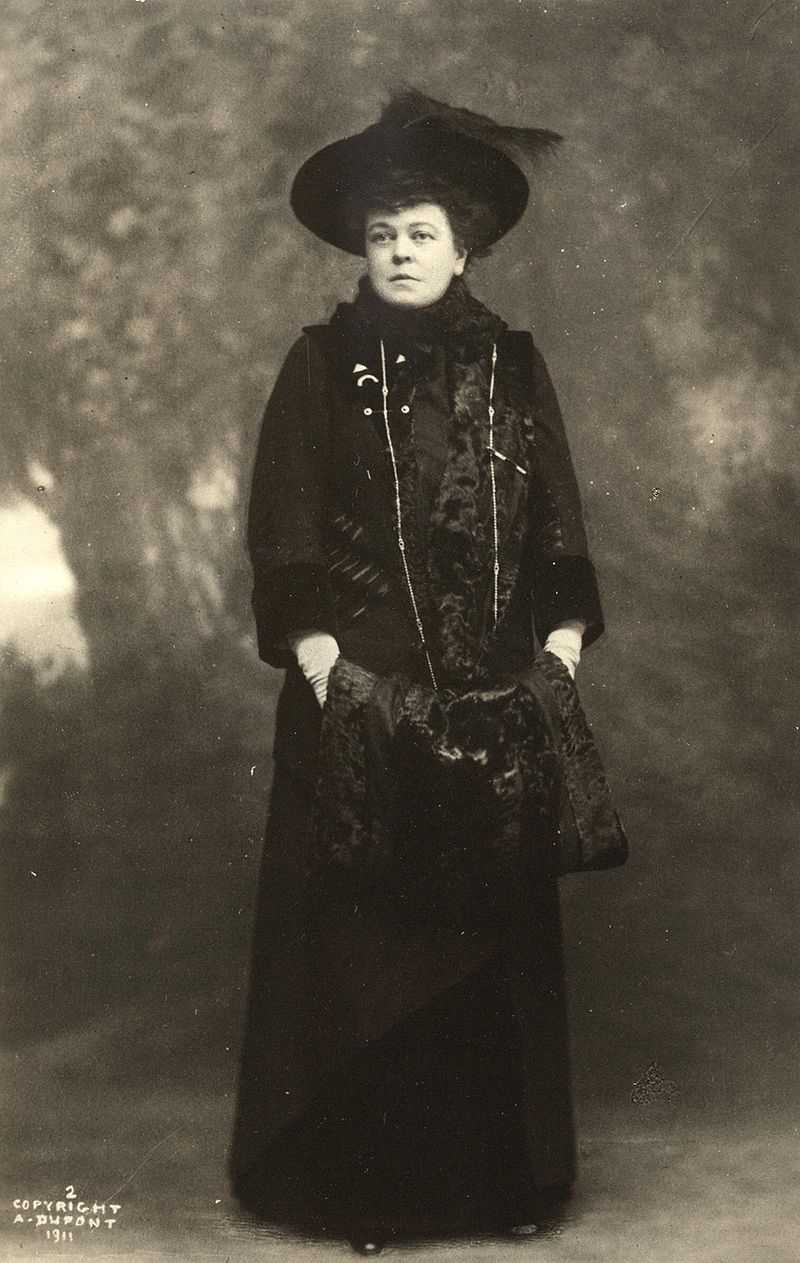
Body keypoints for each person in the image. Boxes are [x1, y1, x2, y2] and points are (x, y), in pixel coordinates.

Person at [229, 91, 623, 1254]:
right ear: (364, 250)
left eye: (420, 235)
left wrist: (557, 645)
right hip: (355, 688)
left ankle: (499, 1189)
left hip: (494, 693)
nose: (399, 253)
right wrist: (315, 656)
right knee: (363, 945)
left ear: (464, 248)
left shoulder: (512, 364)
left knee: (484, 934)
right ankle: (362, 1196)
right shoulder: (317, 366)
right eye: (382, 237)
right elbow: (283, 528)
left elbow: (556, 517)